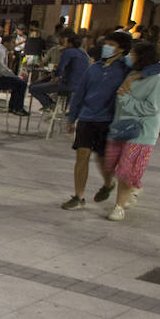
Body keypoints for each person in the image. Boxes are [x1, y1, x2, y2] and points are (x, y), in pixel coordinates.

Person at [61, 33, 131, 210]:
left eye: (112, 44)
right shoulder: (93, 68)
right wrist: (72, 117)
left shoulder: (125, 70)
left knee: (104, 159)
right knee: (82, 154)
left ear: (122, 48)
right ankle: (79, 196)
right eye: (106, 43)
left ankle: (108, 184)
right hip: (87, 117)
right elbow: (80, 93)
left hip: (108, 120)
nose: (107, 47)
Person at [102, 42, 160, 221]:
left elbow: (152, 107)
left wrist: (126, 99)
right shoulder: (133, 72)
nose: (129, 56)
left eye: (133, 53)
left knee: (126, 170)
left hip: (141, 132)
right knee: (112, 164)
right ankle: (134, 187)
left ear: (142, 57)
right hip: (121, 126)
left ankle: (119, 207)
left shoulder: (156, 78)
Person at [30, 34, 89, 112]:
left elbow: (60, 68)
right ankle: (63, 110)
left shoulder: (68, 52)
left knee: (33, 88)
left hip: (67, 84)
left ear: (70, 44)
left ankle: (49, 104)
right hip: (80, 86)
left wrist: (56, 77)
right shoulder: (83, 54)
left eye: (66, 43)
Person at [0, 36, 30, 115]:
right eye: (13, 42)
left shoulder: (1, 51)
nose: (14, 45)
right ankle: (17, 108)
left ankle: (13, 107)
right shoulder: (0, 52)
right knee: (22, 83)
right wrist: (14, 76)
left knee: (18, 83)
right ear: (6, 43)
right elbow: (3, 69)